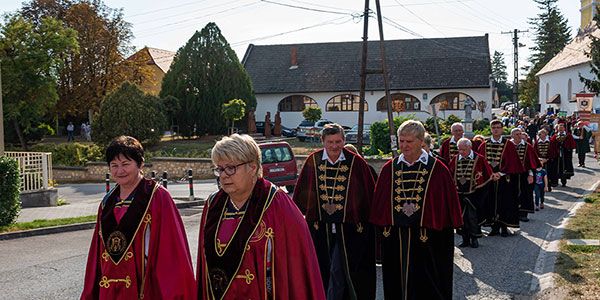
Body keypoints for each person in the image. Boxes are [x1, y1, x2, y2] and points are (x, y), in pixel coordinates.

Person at [197, 134, 325, 300]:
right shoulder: (213, 205)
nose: (223, 175)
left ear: (252, 167)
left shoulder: (278, 204)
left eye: (231, 168)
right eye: (219, 169)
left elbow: (297, 269)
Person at [81, 136, 196, 299]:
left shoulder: (157, 197)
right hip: (110, 291)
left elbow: (172, 254)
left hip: (146, 289)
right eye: (114, 165)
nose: (119, 171)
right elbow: (96, 256)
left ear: (140, 164)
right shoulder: (107, 203)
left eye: (125, 164)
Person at [370, 120, 462, 300]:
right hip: (396, 237)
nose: (404, 145)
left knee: (427, 283)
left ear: (421, 141)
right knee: (396, 282)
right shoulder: (390, 168)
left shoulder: (438, 169)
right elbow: (380, 204)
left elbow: (446, 205)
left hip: (429, 238)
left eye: (409, 141)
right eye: (401, 141)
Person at [293, 123, 376, 300]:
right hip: (319, 228)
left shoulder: (356, 162)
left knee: (340, 270)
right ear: (322, 141)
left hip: (350, 231)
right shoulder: (312, 161)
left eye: (338, 141)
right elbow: (300, 195)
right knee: (322, 269)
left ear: (344, 141)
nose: (334, 146)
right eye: (330, 142)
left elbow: (369, 196)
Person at [478, 120, 524, 237]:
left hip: (504, 179)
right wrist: (490, 174)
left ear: (502, 129)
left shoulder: (508, 144)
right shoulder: (484, 144)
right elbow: (480, 163)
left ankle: (504, 226)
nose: (496, 129)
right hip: (490, 180)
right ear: (491, 129)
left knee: (504, 202)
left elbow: (513, 162)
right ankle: (494, 227)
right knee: (490, 202)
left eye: (498, 127)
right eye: (493, 127)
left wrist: (501, 173)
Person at [448, 138, 493, 248]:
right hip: (459, 194)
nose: (461, 152)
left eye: (463, 149)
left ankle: (474, 238)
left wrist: (480, 191)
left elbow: (487, 175)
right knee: (461, 218)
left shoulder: (479, 159)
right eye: (459, 150)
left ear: (469, 147)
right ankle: (465, 238)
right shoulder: (455, 159)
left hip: (474, 194)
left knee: (473, 217)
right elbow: (449, 173)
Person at [511, 128, 541, 222]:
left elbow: (532, 162)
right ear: (512, 136)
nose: (519, 136)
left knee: (525, 193)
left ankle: (523, 213)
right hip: (511, 174)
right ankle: (513, 214)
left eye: (520, 134)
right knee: (512, 194)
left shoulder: (527, 146)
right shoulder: (508, 146)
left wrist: (531, 174)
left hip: (524, 174)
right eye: (517, 134)